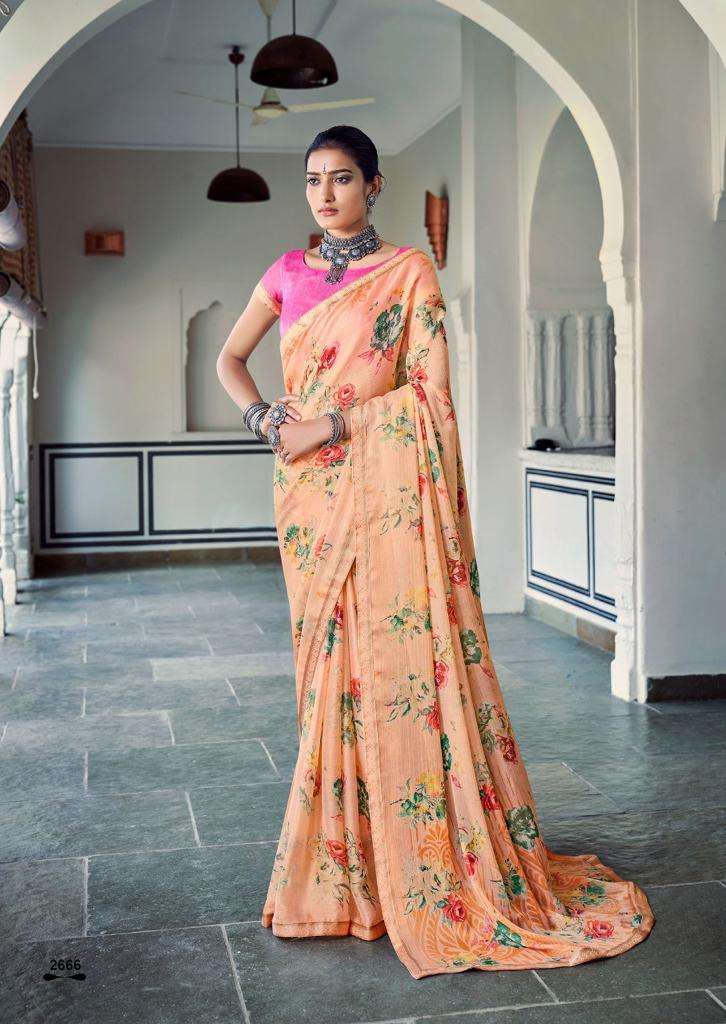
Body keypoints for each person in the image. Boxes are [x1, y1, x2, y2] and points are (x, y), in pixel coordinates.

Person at [216, 125, 655, 980]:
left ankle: (410, 859)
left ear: (373, 185)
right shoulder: (286, 272)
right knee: (328, 674)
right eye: (313, 180)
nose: (325, 194)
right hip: (308, 499)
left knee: (393, 663)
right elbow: (233, 359)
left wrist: (330, 422)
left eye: (342, 179)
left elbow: (429, 397)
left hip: (380, 494)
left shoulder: (409, 272)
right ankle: (343, 872)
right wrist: (265, 417)